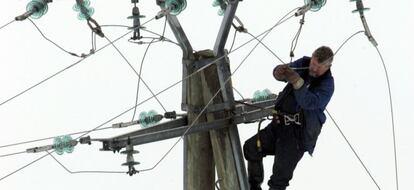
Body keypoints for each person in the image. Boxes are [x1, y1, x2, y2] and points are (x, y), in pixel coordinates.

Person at [243, 46, 335, 190]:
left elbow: (308, 102)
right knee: (251, 148)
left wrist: (297, 82)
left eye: (318, 67)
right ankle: (252, 187)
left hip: (295, 136)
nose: (313, 68)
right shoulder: (304, 62)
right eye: (313, 63)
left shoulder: (327, 85)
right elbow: (285, 71)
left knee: (279, 180)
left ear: (328, 66)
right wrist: (279, 71)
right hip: (278, 126)